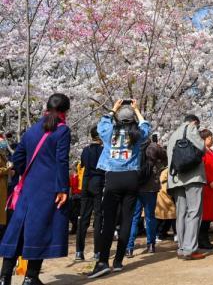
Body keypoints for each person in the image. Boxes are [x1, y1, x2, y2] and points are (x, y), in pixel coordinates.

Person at [0, 93, 71, 285]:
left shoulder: (31, 131)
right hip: (49, 189)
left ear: (46, 107)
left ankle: (4, 277)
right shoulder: (63, 131)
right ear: (66, 111)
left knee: (18, 230)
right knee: (40, 230)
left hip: (27, 188)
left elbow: (18, 161)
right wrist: (63, 188)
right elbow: (61, 161)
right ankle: (31, 278)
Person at [87, 99, 150, 279]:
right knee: (127, 220)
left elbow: (102, 124)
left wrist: (113, 109)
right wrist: (137, 110)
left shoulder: (108, 133)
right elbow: (146, 125)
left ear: (117, 119)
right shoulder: (138, 134)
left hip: (113, 177)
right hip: (131, 178)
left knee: (108, 221)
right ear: (133, 120)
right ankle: (119, 260)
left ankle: (103, 261)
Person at [167, 114, 206, 261]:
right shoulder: (191, 128)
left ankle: (182, 248)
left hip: (176, 178)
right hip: (192, 176)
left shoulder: (173, 135)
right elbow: (202, 147)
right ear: (195, 122)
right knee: (194, 212)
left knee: (181, 213)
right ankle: (190, 249)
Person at [126, 133, 167, 257]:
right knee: (150, 217)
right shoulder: (153, 147)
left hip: (135, 187)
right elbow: (165, 160)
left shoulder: (132, 147)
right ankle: (151, 245)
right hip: (150, 188)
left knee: (134, 218)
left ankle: (129, 247)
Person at [75, 126, 105, 261]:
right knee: (98, 217)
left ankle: (79, 252)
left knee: (83, 217)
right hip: (98, 182)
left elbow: (82, 164)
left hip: (86, 183)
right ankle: (97, 252)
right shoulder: (104, 150)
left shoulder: (85, 150)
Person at [199, 129, 213, 250]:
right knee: (204, 214)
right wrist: (209, 179)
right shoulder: (202, 152)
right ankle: (202, 239)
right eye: (209, 138)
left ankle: (203, 238)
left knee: (209, 213)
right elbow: (203, 168)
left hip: (212, 186)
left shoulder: (210, 151)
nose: (211, 140)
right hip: (206, 185)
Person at [155, 167, 176, 242]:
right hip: (165, 195)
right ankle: (158, 234)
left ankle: (161, 233)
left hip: (164, 195)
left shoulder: (165, 170)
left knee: (167, 217)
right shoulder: (167, 171)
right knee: (164, 217)